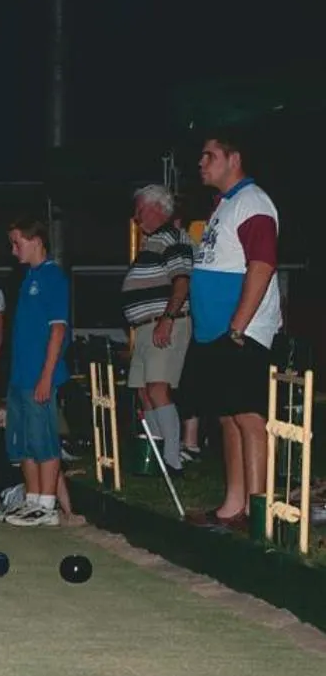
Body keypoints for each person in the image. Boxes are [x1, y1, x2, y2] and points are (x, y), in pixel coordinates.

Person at [188, 133, 283, 529]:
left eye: (209, 156)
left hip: (241, 331)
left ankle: (258, 513)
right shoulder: (223, 206)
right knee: (226, 416)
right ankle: (233, 506)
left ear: (234, 158)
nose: (201, 164)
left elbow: (261, 266)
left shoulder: (253, 202)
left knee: (248, 416)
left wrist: (238, 326)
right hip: (215, 332)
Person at [2, 217, 70, 528]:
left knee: (43, 440)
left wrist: (46, 375)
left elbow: (57, 330)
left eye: (17, 242)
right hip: (19, 377)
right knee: (24, 441)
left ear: (36, 240)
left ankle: (47, 505)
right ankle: (32, 499)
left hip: (38, 376)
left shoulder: (52, 277)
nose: (13, 250)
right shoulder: (28, 278)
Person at [121, 184, 194, 472]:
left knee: (158, 388)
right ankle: (154, 454)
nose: (136, 217)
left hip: (163, 323)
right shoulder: (152, 242)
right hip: (145, 327)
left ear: (155, 208)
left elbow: (181, 281)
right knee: (143, 390)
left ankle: (172, 459)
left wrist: (167, 318)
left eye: (139, 210)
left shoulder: (172, 237)